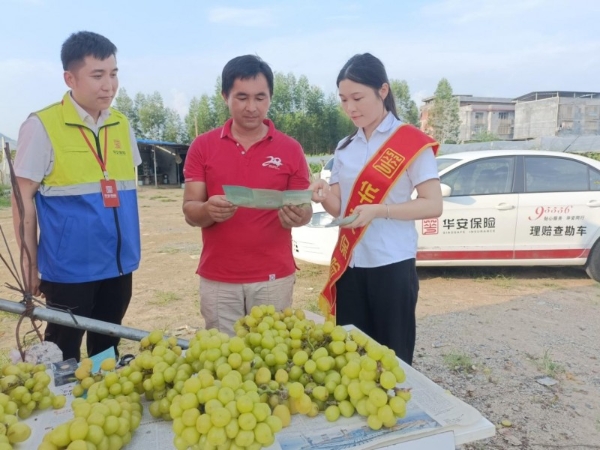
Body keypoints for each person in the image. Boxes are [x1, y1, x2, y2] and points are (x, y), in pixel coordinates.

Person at [12, 31, 141, 362]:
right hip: (69, 270)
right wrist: (29, 263)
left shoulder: (122, 125)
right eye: (97, 75)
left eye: (113, 74)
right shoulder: (42, 126)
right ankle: (65, 407)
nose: (108, 85)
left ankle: (101, 390)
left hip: (118, 263)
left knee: (108, 342)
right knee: (63, 350)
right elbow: (22, 198)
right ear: (70, 77)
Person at [311, 53, 442, 365]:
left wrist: (380, 210)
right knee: (350, 357)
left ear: (383, 91)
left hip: (391, 265)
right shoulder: (346, 148)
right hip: (351, 266)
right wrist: (323, 194)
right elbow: (341, 209)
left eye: (358, 97)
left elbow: (433, 204)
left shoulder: (411, 142)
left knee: (392, 358)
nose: (350, 108)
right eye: (343, 100)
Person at [183, 55, 312, 335]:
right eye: (241, 97)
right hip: (219, 279)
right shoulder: (202, 147)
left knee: (271, 358)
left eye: (260, 98)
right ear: (225, 96)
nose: (252, 108)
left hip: (273, 278)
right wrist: (207, 211)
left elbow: (305, 209)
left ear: (270, 98)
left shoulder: (290, 149)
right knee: (222, 361)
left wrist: (299, 215)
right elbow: (190, 210)